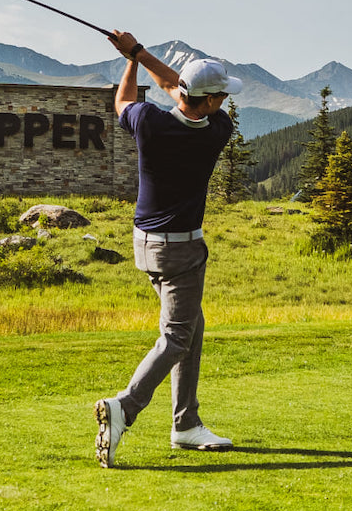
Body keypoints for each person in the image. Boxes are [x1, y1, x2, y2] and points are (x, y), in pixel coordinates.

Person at [94, 31, 242, 468]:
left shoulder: (149, 122)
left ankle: (186, 424)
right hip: (182, 251)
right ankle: (125, 407)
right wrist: (139, 52)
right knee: (178, 336)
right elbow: (176, 84)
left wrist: (132, 60)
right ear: (212, 102)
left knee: (191, 326)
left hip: (145, 244)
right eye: (220, 97)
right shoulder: (218, 129)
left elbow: (123, 102)